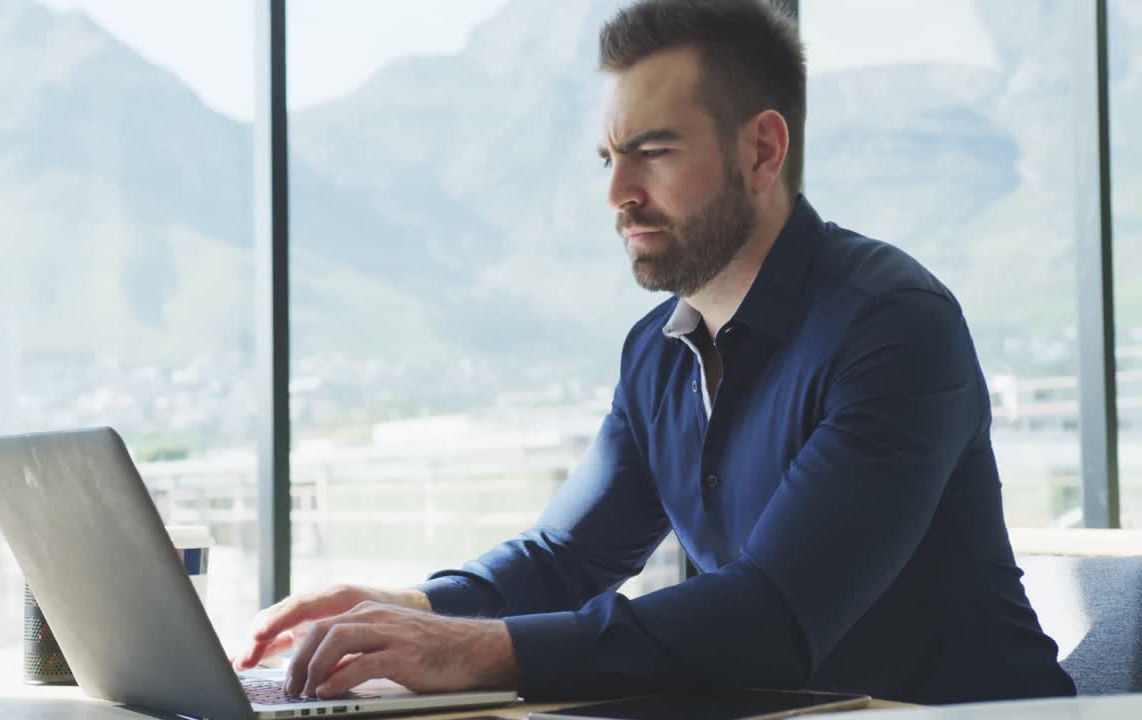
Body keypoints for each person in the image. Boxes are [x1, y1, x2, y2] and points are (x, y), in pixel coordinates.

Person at [234, 0, 1076, 705]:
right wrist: (405, 605)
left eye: (653, 150)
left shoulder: (893, 326)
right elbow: (566, 557)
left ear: (762, 150)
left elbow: (766, 620)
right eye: (609, 156)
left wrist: (463, 649)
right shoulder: (656, 352)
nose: (616, 193)